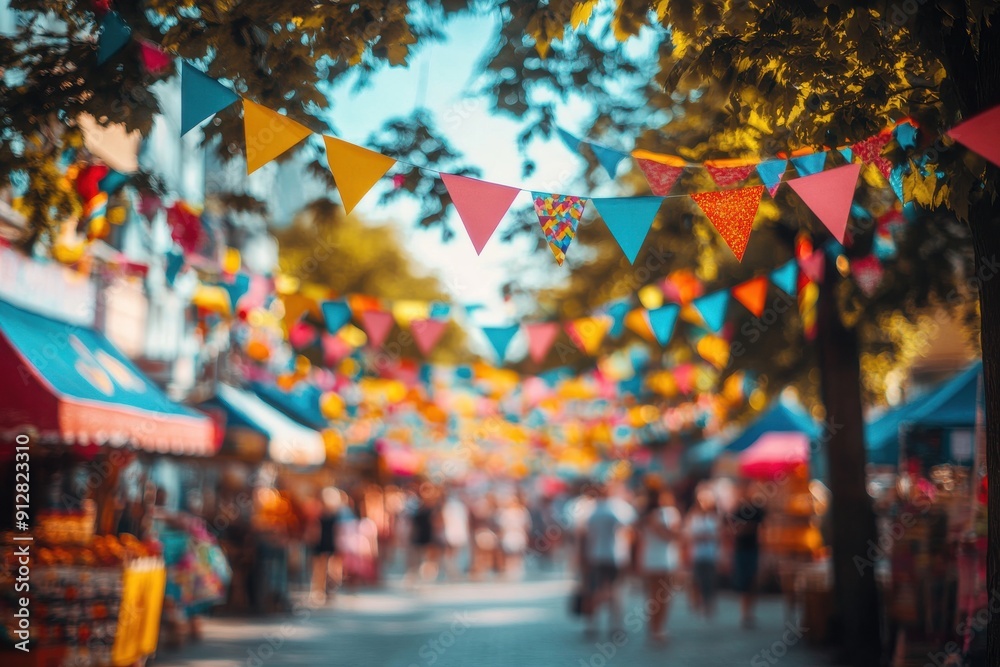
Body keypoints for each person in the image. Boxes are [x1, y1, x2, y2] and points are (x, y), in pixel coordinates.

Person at [583, 482, 636, 639]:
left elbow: (584, 533)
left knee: (598, 589)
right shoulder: (619, 507)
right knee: (613, 590)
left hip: (598, 555)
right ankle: (615, 625)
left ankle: (595, 624)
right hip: (613, 555)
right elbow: (630, 530)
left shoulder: (592, 508)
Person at [637, 487, 681, 643]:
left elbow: (674, 535)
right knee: (655, 595)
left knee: (662, 595)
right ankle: (654, 627)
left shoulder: (669, 513)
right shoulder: (650, 515)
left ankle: (659, 626)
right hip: (654, 558)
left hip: (666, 558)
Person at [730, 479, 766, 628]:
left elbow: (761, 529)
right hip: (741, 549)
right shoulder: (738, 509)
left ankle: (749, 611)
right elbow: (733, 530)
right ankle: (745, 612)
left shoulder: (758, 509)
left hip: (753, 549)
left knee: (752, 580)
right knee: (744, 580)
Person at [686, 487, 721, 620]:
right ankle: (696, 602)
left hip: (711, 554)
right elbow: (687, 535)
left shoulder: (715, 517)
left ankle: (709, 605)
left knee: (710, 580)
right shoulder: (693, 516)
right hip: (697, 554)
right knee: (697, 579)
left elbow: (720, 536)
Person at [311, 486, 344, 605]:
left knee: (329, 569)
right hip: (322, 542)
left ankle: (326, 590)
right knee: (320, 568)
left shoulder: (334, 514)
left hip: (329, 542)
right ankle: (318, 590)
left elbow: (338, 530)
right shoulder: (320, 513)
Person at [440, 488, 470, 580]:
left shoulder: (456, 506)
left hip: (455, 531)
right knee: (452, 552)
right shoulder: (454, 506)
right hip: (453, 531)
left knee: (454, 552)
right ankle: (451, 570)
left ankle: (453, 570)